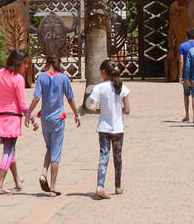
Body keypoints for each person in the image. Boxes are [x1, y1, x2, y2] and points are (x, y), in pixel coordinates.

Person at [26, 49, 81, 196]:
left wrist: (28, 114)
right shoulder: (63, 78)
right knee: (56, 152)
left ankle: (43, 173)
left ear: (47, 63)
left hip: (45, 119)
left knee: (50, 147)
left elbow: (36, 97)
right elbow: (70, 98)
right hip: (58, 119)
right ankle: (53, 187)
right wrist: (76, 114)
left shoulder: (41, 77)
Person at [0, 48, 31, 195]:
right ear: (18, 63)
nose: (26, 66)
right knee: (8, 150)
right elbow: (23, 105)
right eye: (25, 63)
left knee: (10, 149)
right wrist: (31, 118)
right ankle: (0, 184)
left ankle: (17, 180)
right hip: (12, 117)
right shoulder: (18, 79)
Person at [89, 59, 129, 199]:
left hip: (103, 127)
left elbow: (92, 108)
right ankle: (118, 186)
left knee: (103, 155)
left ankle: (100, 185)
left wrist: (102, 111)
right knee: (117, 157)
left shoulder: (98, 88)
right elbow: (128, 110)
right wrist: (118, 110)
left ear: (104, 73)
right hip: (118, 128)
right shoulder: (122, 87)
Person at [178, 28, 194, 123]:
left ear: (186, 36)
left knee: (186, 94)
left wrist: (180, 75)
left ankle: (187, 115)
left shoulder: (182, 46)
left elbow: (181, 61)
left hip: (186, 73)